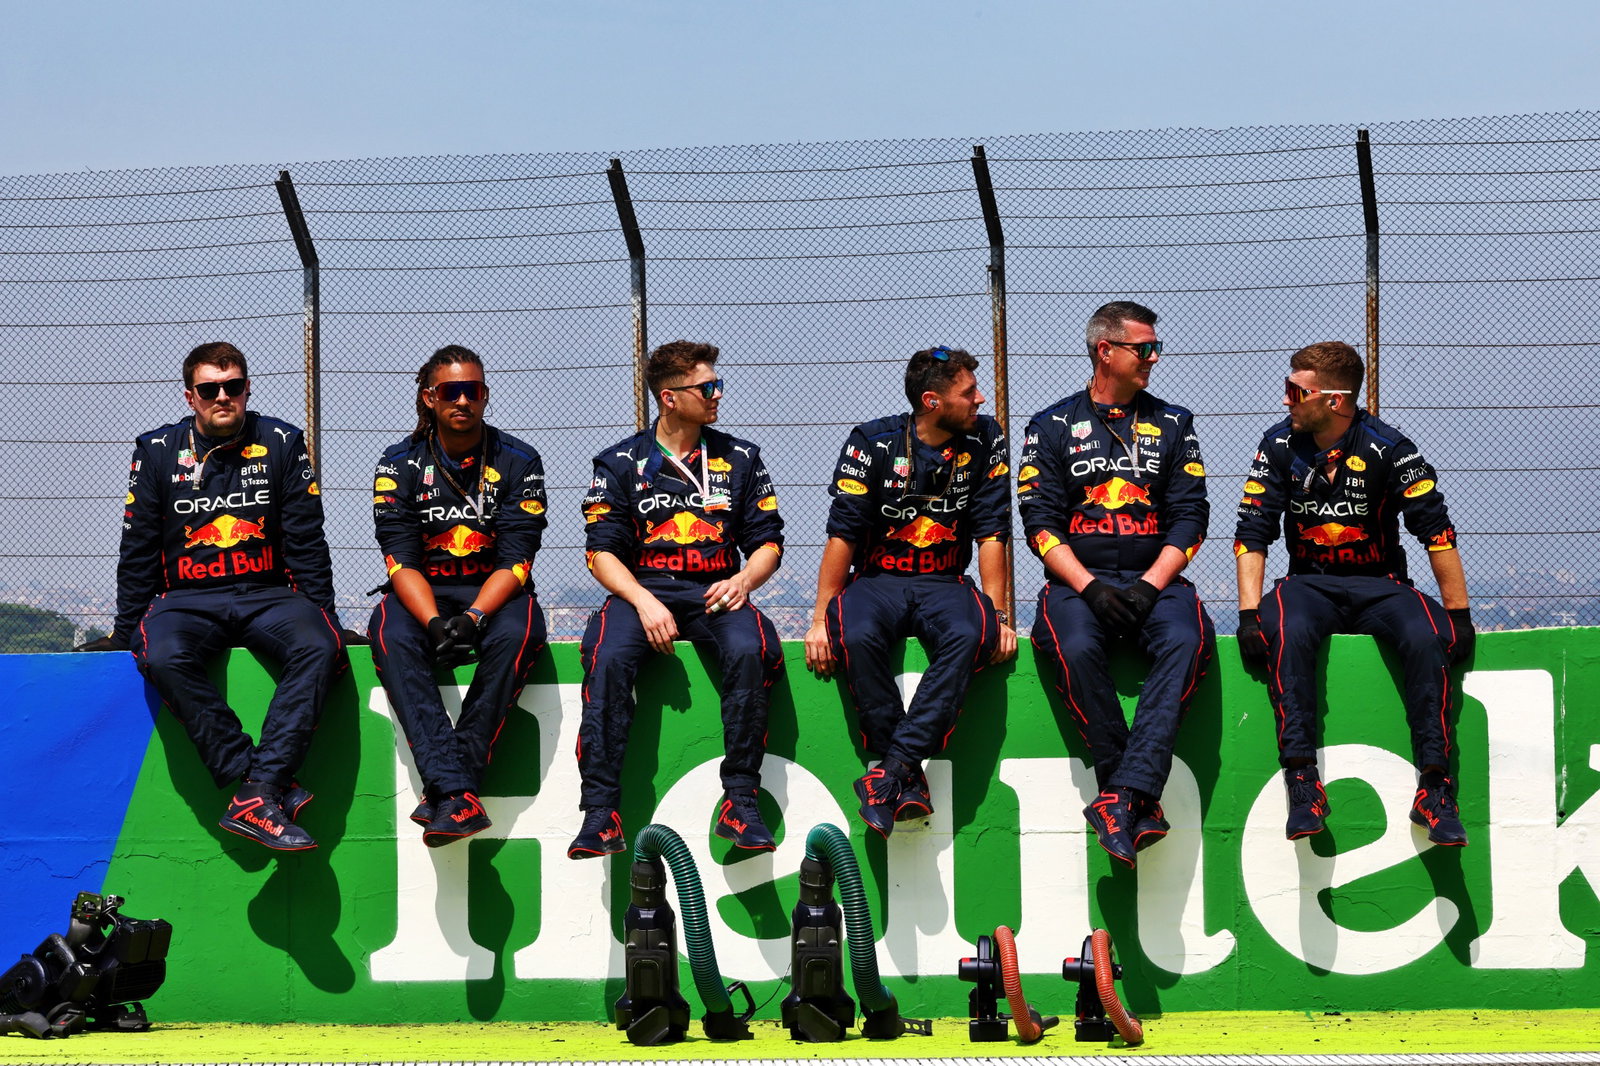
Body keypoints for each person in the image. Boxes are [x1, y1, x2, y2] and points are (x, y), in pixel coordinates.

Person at [82, 341, 346, 851]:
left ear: (247, 389)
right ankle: (261, 785)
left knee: (321, 646)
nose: (222, 396)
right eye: (210, 389)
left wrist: (326, 615)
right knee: (160, 655)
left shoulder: (284, 442)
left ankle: (258, 791)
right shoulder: (157, 450)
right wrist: (124, 629)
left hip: (269, 594)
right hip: (186, 598)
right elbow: (138, 545)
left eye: (234, 386)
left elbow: (307, 539)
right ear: (191, 396)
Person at [1233, 340, 1475, 846]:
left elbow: (1436, 531)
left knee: (1429, 636)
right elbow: (1252, 531)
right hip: (1308, 584)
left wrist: (1461, 614)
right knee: (1286, 629)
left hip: (1381, 585)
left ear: (1334, 400)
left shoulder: (1391, 447)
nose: (1286, 401)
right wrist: (1249, 613)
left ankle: (1434, 789)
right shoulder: (1278, 445)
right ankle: (1302, 784)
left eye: (1295, 391)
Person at [570, 340, 785, 859]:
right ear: (669, 397)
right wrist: (643, 601)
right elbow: (599, 553)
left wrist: (744, 582)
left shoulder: (740, 457)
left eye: (717, 384)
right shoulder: (621, 461)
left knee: (752, 650)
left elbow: (769, 543)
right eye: (706, 387)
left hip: (717, 589)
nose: (717, 395)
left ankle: (740, 801)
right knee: (607, 657)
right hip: (642, 588)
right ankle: (600, 813)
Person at [1019, 302, 1214, 869]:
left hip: (1157, 577)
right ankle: (1134, 798)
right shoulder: (1050, 426)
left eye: (1156, 348)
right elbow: (1038, 523)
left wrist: (1153, 584)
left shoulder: (1175, 422)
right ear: (1106, 350)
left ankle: (1120, 799)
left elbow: (1192, 516)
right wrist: (1091, 588)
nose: (1155, 357)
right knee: (1072, 646)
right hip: (1080, 581)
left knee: (1188, 642)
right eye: (1144, 348)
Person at [804, 346, 1016, 839]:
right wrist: (819, 619)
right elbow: (843, 533)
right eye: (968, 393)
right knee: (854, 634)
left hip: (944, 581)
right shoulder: (871, 441)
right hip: (877, 580)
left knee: (970, 635)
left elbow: (992, 532)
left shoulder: (987, 437)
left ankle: (891, 769)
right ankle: (905, 775)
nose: (980, 399)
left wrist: (1000, 616)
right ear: (932, 401)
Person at [368, 345, 548, 848]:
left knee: (523, 629)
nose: (463, 401)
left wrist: (471, 618)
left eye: (473, 391)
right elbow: (399, 559)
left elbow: (517, 559)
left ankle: (448, 789)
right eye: (452, 391)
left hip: (494, 593)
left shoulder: (519, 459)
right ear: (430, 398)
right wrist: (431, 622)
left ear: (485, 396)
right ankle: (459, 792)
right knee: (386, 630)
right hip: (424, 593)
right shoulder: (397, 462)